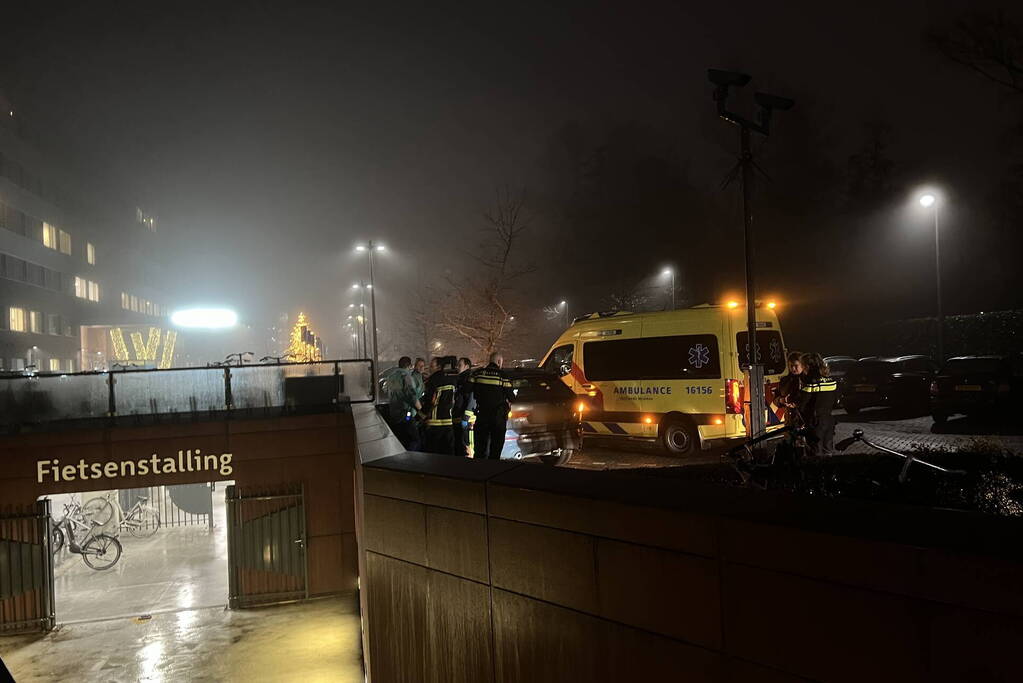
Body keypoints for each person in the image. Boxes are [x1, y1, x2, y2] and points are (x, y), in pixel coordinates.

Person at [468, 351, 515, 460]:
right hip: (497, 418)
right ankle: (493, 471)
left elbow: (467, 389)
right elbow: (512, 398)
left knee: (480, 449)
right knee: (496, 449)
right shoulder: (503, 376)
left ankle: (478, 472)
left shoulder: (477, 373)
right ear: (499, 362)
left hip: (481, 416)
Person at [796, 352, 838, 456]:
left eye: (803, 365)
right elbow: (835, 400)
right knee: (828, 452)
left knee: (815, 454)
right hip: (828, 421)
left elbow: (802, 404)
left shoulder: (811, 382)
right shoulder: (831, 380)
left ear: (807, 366)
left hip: (814, 423)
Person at [382, 356, 422, 451]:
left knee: (400, 440)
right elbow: (411, 396)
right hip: (405, 414)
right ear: (409, 366)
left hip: (394, 414)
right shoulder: (406, 376)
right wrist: (421, 410)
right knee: (415, 440)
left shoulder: (391, 376)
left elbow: (385, 390)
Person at [422, 356, 460, 454]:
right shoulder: (452, 380)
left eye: (432, 366)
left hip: (434, 424)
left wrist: (420, 417)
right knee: (448, 453)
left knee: (433, 454)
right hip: (448, 423)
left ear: (439, 366)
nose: (430, 368)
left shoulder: (432, 381)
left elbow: (430, 401)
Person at [452, 357, 475, 456]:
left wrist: (466, 417)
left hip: (467, 419)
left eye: (460, 365)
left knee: (467, 444)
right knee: (460, 444)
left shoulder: (469, 379)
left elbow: (472, 398)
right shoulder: (460, 379)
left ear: (467, 366)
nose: (457, 367)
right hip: (459, 416)